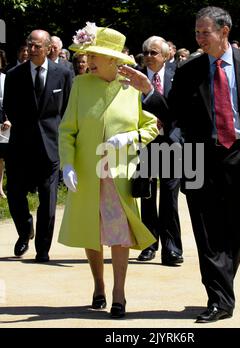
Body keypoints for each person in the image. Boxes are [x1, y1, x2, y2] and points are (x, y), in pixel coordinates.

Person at [118, 6, 240, 323]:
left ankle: (221, 286)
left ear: (224, 31)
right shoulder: (190, 70)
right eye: (196, 33)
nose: (199, 38)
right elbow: (172, 113)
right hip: (200, 158)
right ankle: (219, 299)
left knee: (235, 234)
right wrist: (148, 90)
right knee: (207, 236)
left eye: (204, 32)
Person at [58, 23, 158, 318]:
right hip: (87, 175)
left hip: (119, 176)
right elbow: (67, 131)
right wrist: (66, 163)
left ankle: (119, 292)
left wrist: (130, 137)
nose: (87, 60)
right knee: (91, 233)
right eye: (87, 55)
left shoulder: (131, 88)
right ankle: (99, 284)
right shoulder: (80, 85)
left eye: (94, 56)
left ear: (113, 60)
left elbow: (152, 125)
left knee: (119, 234)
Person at [3, 29, 73, 262]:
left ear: (48, 48)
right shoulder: (14, 75)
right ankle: (25, 230)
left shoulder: (63, 74)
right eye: (29, 45)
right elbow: (10, 107)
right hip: (21, 144)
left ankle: (43, 248)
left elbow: (67, 109)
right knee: (14, 193)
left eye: (36, 46)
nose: (31, 50)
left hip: (50, 146)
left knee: (48, 200)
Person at [136, 36, 183, 266]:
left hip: (171, 142)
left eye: (154, 53)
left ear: (166, 55)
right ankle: (149, 244)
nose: (149, 56)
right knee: (146, 195)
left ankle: (172, 248)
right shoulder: (136, 76)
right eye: (146, 52)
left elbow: (184, 108)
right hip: (145, 143)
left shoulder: (179, 74)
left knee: (169, 198)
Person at [0, 49, 11, 198]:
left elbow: (10, 101)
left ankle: (0, 188)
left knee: (1, 157)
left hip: (3, 122)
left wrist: (8, 119)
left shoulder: (6, 78)